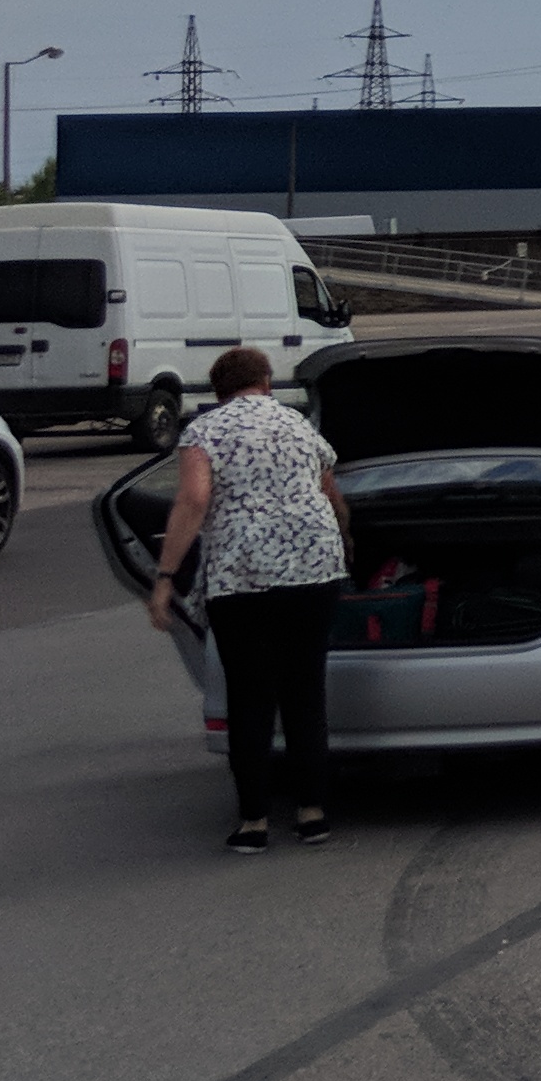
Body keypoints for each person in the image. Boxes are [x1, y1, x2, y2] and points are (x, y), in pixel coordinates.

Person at [147, 346, 355, 855]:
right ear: (265, 382)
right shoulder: (298, 425)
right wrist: (345, 542)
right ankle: (312, 815)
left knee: (250, 696)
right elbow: (330, 493)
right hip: (314, 569)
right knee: (305, 691)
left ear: (220, 390)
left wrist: (166, 577)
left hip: (243, 577)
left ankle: (254, 823)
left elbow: (194, 500)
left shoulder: (204, 432)